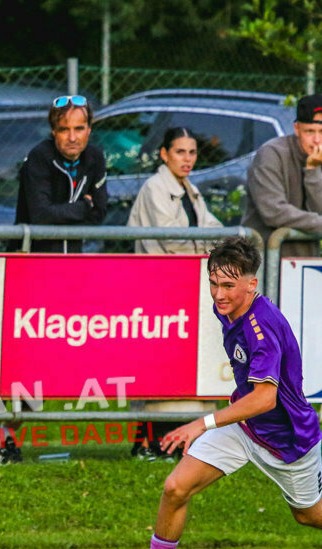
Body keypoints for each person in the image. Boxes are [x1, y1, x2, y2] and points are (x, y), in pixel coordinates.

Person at [97, 236, 322, 549]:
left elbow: (265, 397)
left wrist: (201, 423)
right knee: (176, 487)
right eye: (213, 282)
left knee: (308, 513)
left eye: (228, 285)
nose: (218, 293)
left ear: (251, 284)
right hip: (242, 428)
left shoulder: (262, 328)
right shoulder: (226, 310)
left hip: (288, 439)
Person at [127, 127, 222, 460]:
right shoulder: (155, 187)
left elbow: (213, 230)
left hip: (185, 285)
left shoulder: (190, 189)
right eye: (180, 152)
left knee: (183, 369)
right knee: (158, 369)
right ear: (164, 154)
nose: (188, 159)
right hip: (158, 287)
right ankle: (148, 441)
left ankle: (181, 442)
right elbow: (175, 240)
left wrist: (207, 243)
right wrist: (207, 244)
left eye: (192, 152)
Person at [242, 94, 322, 258]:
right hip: (260, 259)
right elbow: (273, 212)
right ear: (297, 128)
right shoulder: (271, 153)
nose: (316, 140)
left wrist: (313, 171)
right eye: (309, 131)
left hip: (305, 261)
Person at [15, 94, 108, 253]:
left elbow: (99, 213)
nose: (72, 138)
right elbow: (41, 216)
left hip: (78, 253)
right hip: (36, 256)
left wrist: (59, 213)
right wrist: (84, 206)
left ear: (89, 130)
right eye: (64, 130)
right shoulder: (40, 156)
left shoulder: (96, 157)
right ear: (53, 132)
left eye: (79, 129)